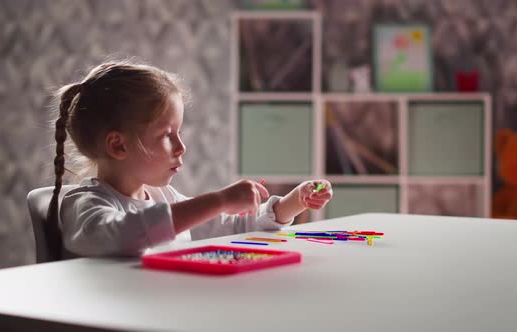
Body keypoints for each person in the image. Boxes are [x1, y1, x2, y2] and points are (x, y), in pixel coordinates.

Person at [47, 60, 333, 259]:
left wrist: (292, 202)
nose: (181, 146)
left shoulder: (163, 197)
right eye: (166, 134)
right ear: (119, 145)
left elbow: (233, 228)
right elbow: (125, 235)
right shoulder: (85, 206)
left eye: (179, 132)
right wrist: (219, 200)